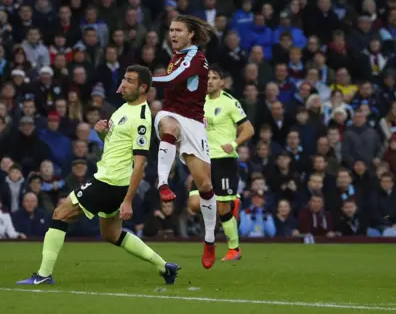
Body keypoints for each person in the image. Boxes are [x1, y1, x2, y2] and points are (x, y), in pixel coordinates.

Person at [17, 65, 179, 286]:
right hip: (111, 180)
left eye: (129, 81)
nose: (123, 84)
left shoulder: (141, 118)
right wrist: (103, 134)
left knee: (61, 212)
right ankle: (164, 266)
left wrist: (129, 201)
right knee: (111, 234)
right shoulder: (123, 109)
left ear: (143, 88)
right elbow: (116, 147)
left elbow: (140, 163)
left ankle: (44, 274)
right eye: (124, 79)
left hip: (109, 182)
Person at [150, 15, 218, 269]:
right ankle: (163, 184)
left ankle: (209, 239)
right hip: (173, 114)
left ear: (191, 34)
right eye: (170, 30)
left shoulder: (195, 58)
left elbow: (172, 81)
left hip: (195, 124)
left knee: (205, 185)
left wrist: (145, 77)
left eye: (178, 30)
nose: (173, 34)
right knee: (168, 124)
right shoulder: (177, 55)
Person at [188, 66, 254, 261]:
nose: (209, 81)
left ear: (222, 82)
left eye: (214, 78)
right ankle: (230, 203)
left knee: (222, 208)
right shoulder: (198, 102)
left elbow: (248, 129)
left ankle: (234, 249)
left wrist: (233, 143)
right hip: (202, 159)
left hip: (223, 160)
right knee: (193, 204)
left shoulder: (230, 103)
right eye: (207, 78)